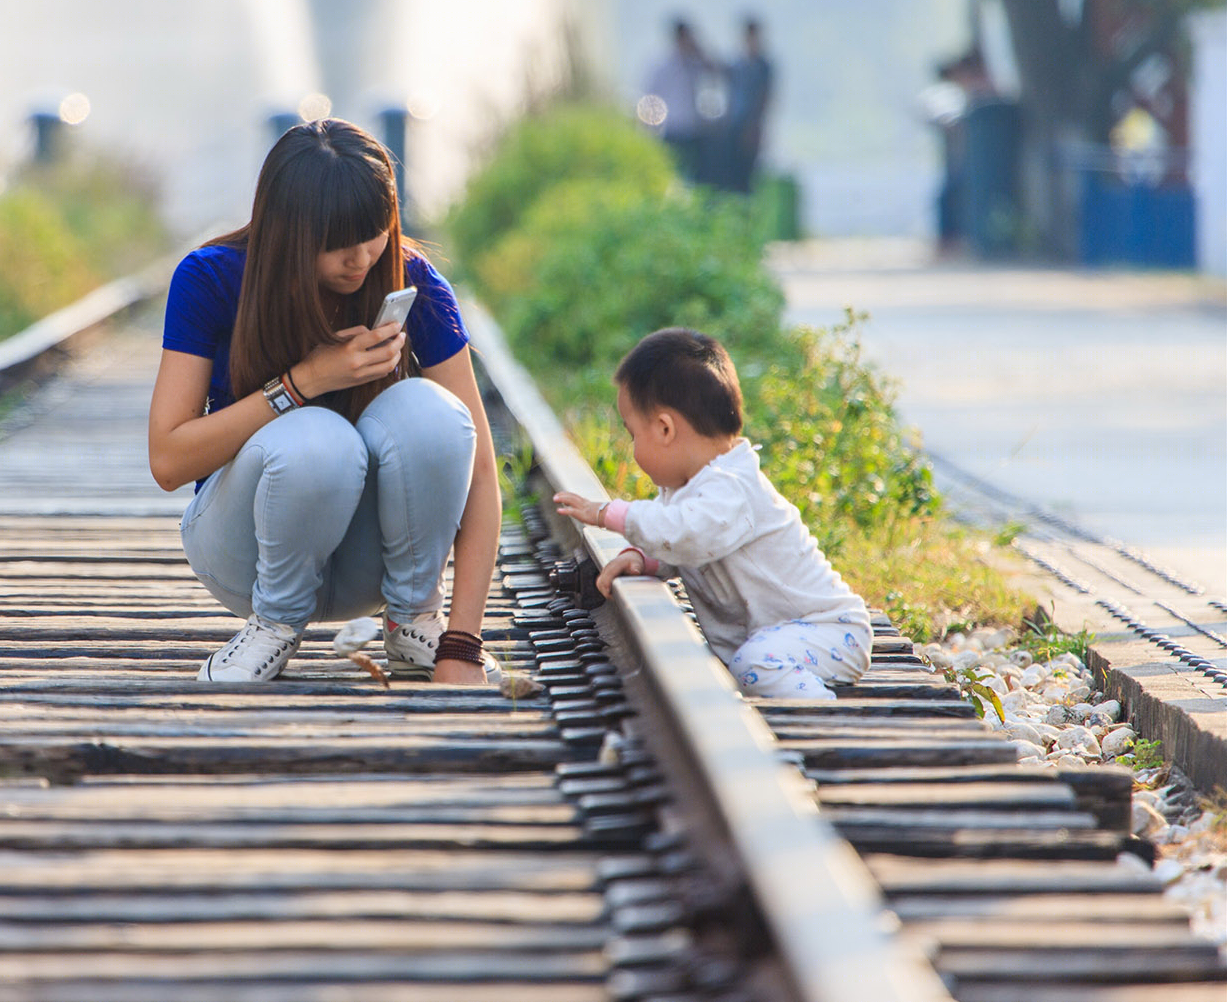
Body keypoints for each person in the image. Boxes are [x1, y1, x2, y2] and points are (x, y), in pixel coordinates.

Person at [147, 118, 502, 686]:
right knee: (317, 438)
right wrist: (303, 382)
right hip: (244, 555)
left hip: (373, 566)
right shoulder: (211, 279)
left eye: (374, 234)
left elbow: (480, 472)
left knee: (434, 415)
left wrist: (463, 643)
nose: (360, 260)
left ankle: (416, 624)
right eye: (337, 246)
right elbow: (167, 460)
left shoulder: (415, 282)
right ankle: (271, 628)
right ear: (287, 233)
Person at [552, 328, 870, 700]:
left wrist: (606, 513)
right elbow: (689, 547)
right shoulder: (694, 489)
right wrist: (645, 560)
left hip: (829, 629)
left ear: (665, 429)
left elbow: (685, 533)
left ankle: (819, 715)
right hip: (784, 635)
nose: (632, 449)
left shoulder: (731, 488)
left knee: (753, 665)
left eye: (632, 434)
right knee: (751, 662)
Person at [643, 18, 716, 183]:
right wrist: (650, 129)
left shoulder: (694, 64)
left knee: (695, 176)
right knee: (673, 175)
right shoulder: (662, 67)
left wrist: (699, 51)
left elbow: (715, 72)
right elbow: (650, 99)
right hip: (672, 129)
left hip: (693, 129)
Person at [721, 16, 774, 194]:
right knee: (732, 173)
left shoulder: (763, 67)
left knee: (748, 176)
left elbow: (765, 98)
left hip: (751, 128)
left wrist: (755, 127)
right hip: (734, 126)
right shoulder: (738, 65)